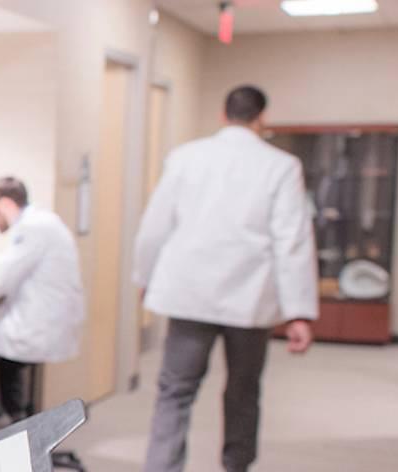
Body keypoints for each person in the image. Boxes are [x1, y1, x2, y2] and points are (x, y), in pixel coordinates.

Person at [133, 85, 316, 472]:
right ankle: (236, 465)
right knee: (243, 391)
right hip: (250, 298)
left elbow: (155, 226)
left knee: (174, 391)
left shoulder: (185, 157)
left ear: (223, 114)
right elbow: (292, 241)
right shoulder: (281, 166)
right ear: (261, 118)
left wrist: (145, 276)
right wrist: (298, 312)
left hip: (189, 293)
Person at [0, 176, 85, 430]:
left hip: (37, 325)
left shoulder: (31, 228)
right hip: (48, 321)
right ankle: (16, 422)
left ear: (5, 204)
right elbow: (10, 269)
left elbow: (0, 281)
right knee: (7, 356)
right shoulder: (44, 222)